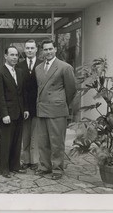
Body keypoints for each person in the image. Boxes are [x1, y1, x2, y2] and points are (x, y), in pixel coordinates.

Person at [33, 39, 76, 180]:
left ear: (56, 49)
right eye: (45, 49)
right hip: (42, 108)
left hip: (57, 110)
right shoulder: (38, 68)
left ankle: (57, 169)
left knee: (56, 141)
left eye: (50, 49)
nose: (48, 52)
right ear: (42, 51)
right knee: (43, 141)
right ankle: (44, 166)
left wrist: (61, 103)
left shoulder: (65, 67)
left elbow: (71, 90)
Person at [0, 46, 29, 178]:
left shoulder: (19, 72)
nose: (14, 58)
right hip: (7, 114)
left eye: (16, 55)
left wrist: (25, 109)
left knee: (17, 141)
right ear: (5, 56)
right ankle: (4, 168)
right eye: (11, 55)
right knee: (6, 142)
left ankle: (15, 166)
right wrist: (4, 114)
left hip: (19, 112)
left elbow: (22, 93)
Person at [16, 39, 42, 171]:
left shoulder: (42, 65)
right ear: (24, 50)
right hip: (24, 107)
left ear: (36, 49)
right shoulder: (19, 66)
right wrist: (23, 107)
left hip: (38, 106)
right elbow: (19, 89)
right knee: (25, 135)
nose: (30, 50)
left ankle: (35, 160)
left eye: (32, 48)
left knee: (35, 135)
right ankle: (25, 160)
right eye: (27, 48)